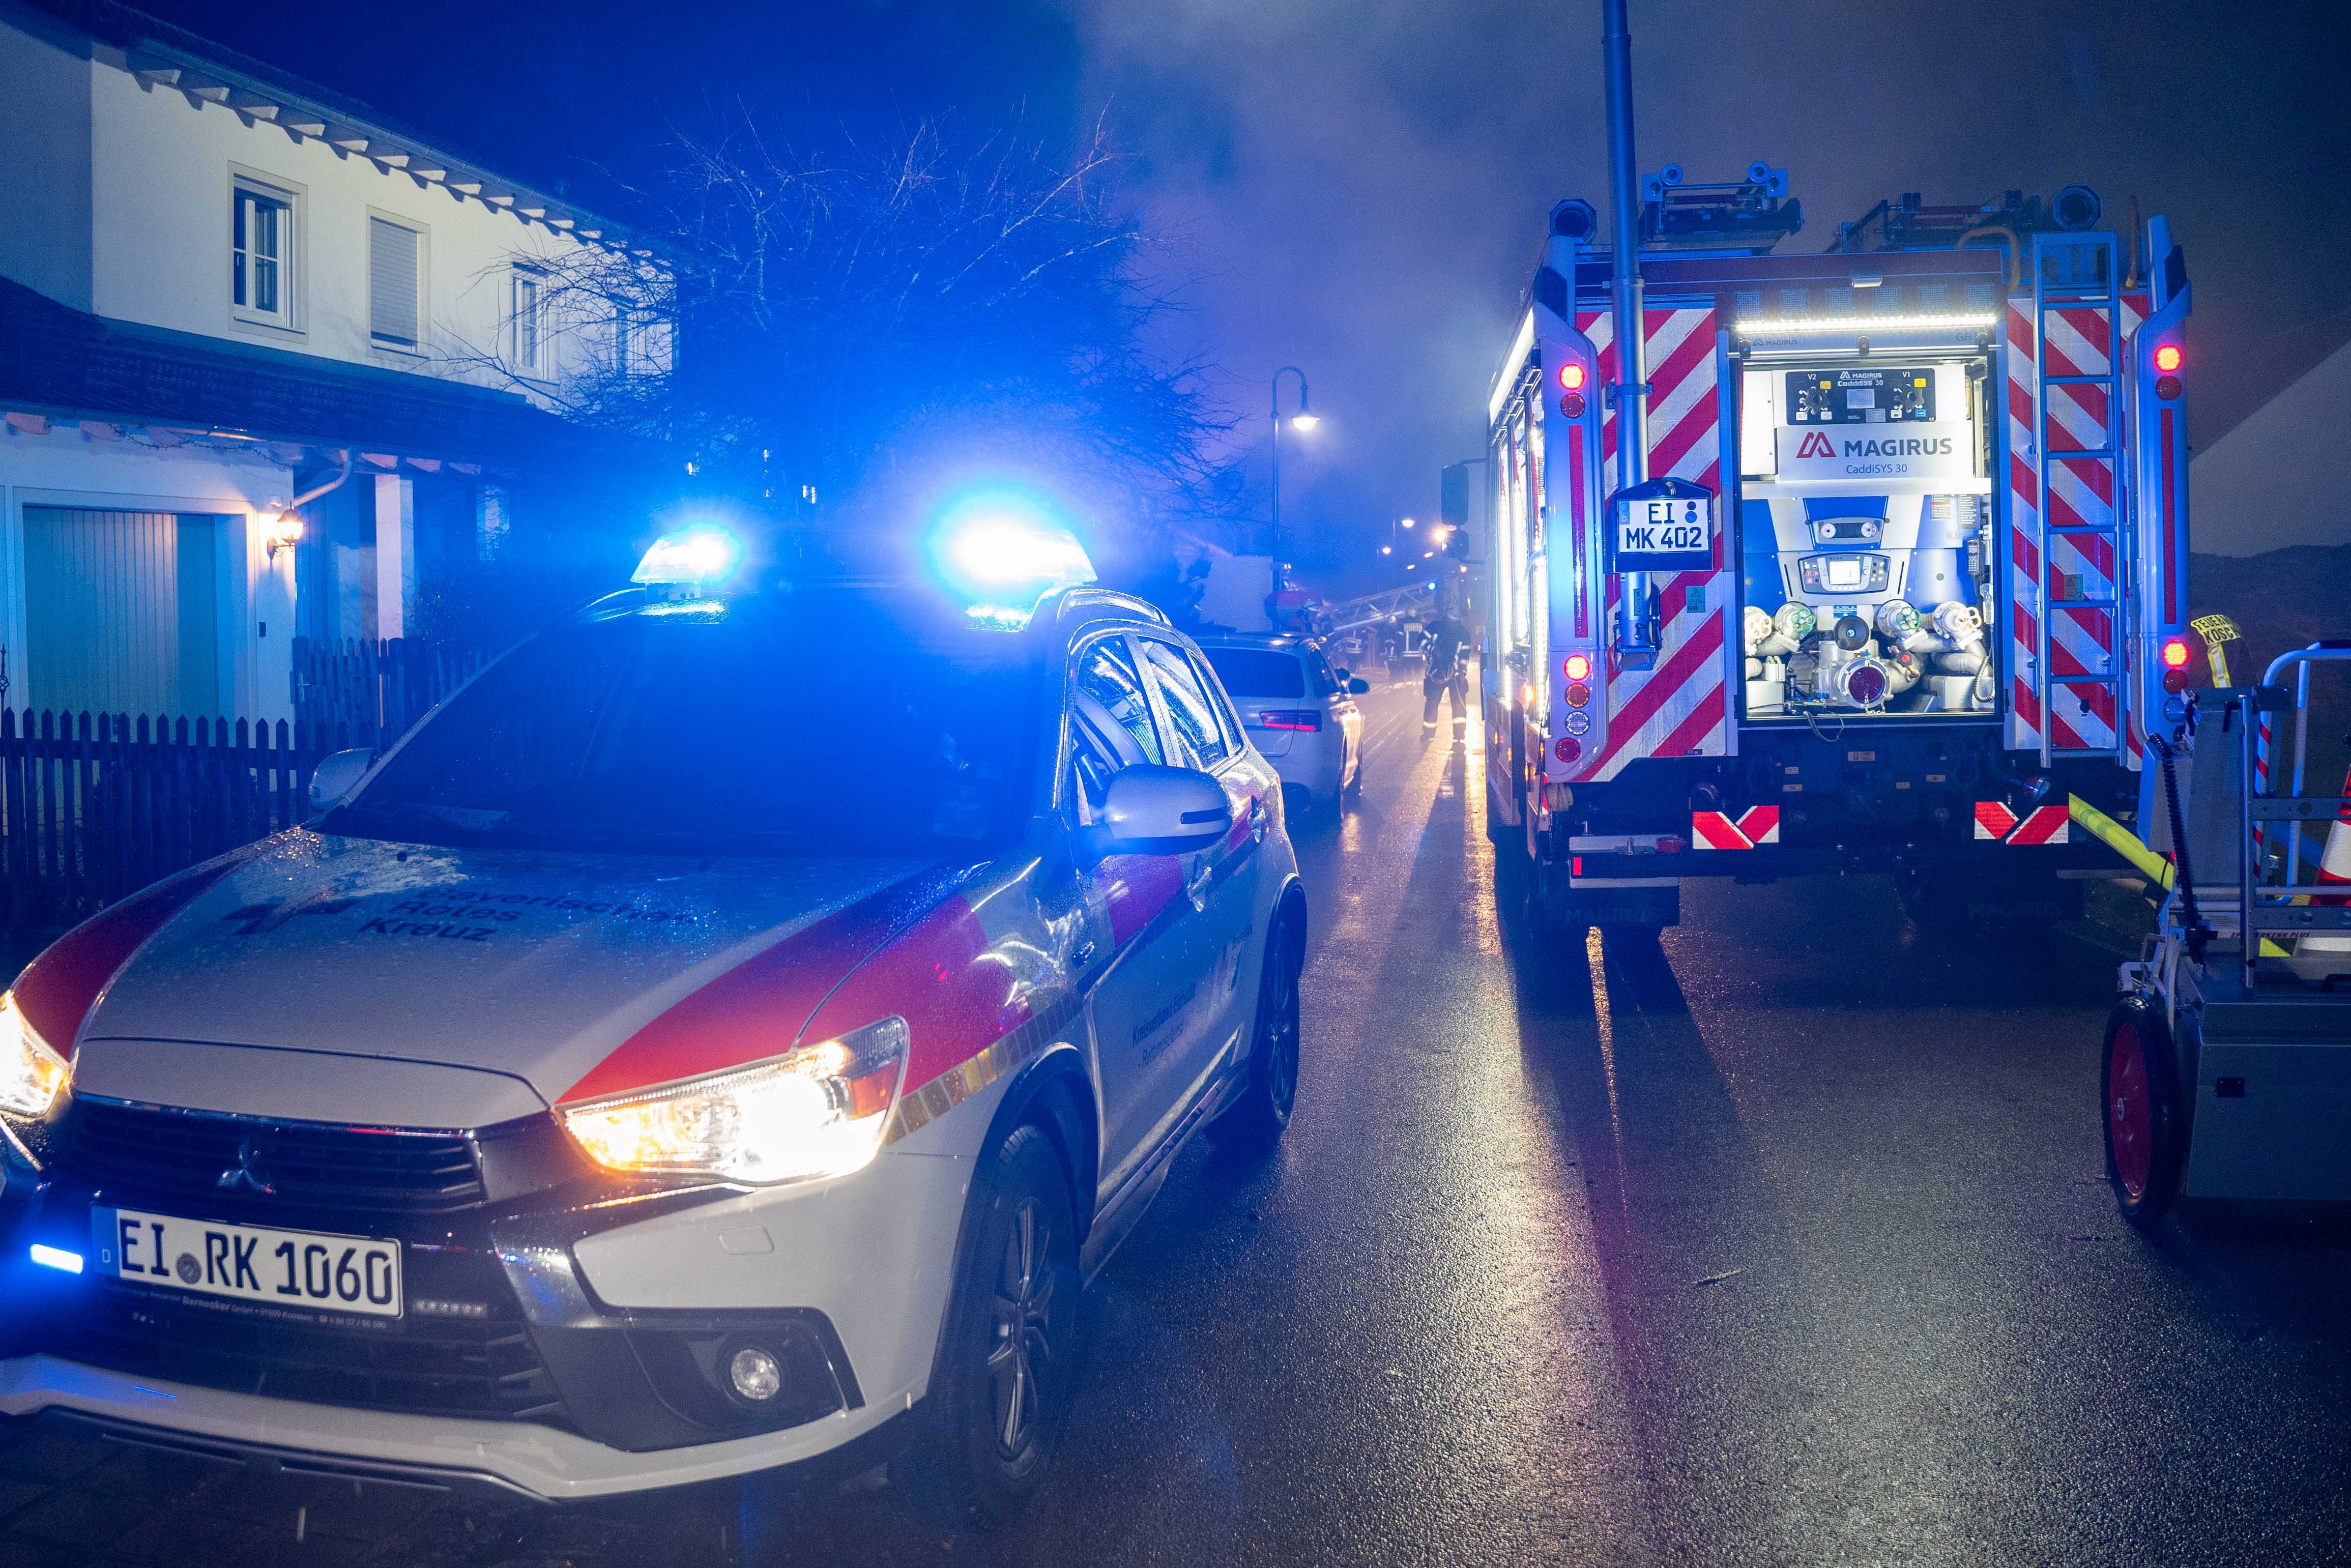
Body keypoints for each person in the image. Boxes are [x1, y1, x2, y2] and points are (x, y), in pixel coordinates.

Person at [1420, 613, 1470, 741]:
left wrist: (1462, 672)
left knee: (1459, 705)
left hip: (1456, 674)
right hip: (1435, 672)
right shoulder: (1434, 627)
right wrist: (1433, 649)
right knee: (1432, 703)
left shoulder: (1464, 633)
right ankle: (1428, 732)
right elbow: (1421, 640)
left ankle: (1459, 733)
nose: (1452, 624)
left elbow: (1465, 655)